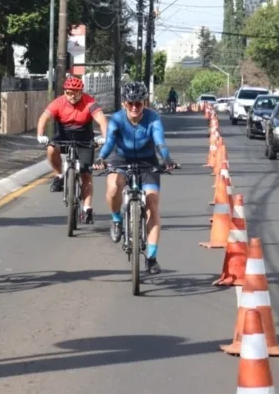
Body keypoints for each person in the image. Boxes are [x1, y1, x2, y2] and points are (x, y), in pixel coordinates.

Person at [93, 81, 177, 275]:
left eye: (138, 103)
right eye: (130, 103)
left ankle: (152, 258)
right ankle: (116, 219)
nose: (134, 107)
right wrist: (100, 158)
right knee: (114, 186)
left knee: (153, 203)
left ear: (144, 103)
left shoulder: (153, 118)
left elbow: (159, 141)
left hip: (148, 160)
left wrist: (166, 159)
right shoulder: (116, 119)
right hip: (120, 157)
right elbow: (110, 142)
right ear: (124, 103)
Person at [36, 76, 108, 223]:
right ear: (65, 92)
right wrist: (40, 135)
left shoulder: (89, 102)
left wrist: (105, 137)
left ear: (81, 91)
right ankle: (59, 176)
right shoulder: (58, 102)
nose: (72, 96)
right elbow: (44, 117)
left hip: (84, 139)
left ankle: (87, 208)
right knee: (50, 149)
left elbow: (101, 119)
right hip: (63, 136)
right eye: (69, 92)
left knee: (86, 173)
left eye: (75, 92)